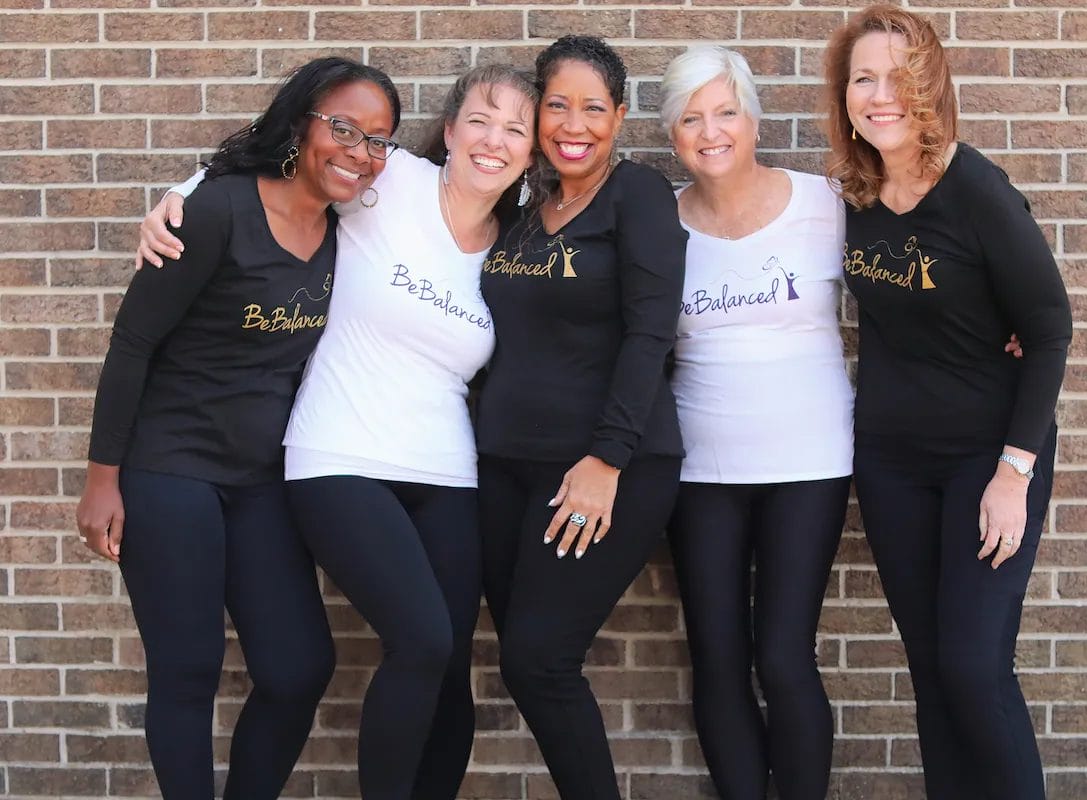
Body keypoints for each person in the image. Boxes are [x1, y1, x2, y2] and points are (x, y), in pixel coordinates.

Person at [134, 65, 539, 800]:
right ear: (450, 132)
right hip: (339, 454)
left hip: (446, 470)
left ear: (531, 154)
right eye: (481, 120)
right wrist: (182, 194)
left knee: (450, 667)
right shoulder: (393, 180)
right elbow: (281, 165)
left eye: (516, 129)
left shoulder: (516, 246)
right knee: (421, 640)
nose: (494, 141)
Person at [77, 57, 402, 799]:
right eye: (343, 128)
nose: (359, 152)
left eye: (378, 140)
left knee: (298, 667)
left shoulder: (347, 232)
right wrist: (102, 480)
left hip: (262, 480)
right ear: (300, 125)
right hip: (170, 469)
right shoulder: (218, 212)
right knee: (188, 669)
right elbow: (132, 343)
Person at [824, 7, 1072, 799]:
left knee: (972, 664)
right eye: (864, 79)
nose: (880, 95)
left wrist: (1013, 473)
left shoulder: (977, 191)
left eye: (899, 78)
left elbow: (1049, 330)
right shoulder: (854, 197)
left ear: (931, 87)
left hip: (986, 460)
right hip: (892, 464)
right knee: (931, 667)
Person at [475, 35, 687, 800]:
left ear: (619, 117)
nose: (574, 125)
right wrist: (200, 189)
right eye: (557, 106)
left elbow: (651, 333)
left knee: (539, 661)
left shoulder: (639, 196)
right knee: (525, 660)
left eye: (593, 108)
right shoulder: (522, 208)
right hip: (505, 466)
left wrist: (607, 459)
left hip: (603, 467)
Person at [657, 45, 853, 800]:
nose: (710, 132)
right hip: (701, 471)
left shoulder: (825, 203)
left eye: (725, 112)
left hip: (810, 464)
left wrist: (1000, 320)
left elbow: (927, 246)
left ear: (754, 120)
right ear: (672, 134)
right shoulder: (659, 224)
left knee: (782, 656)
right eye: (690, 119)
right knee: (717, 658)